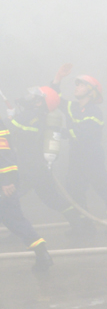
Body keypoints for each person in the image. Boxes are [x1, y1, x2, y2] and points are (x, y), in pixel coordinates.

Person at [7, 85, 92, 236]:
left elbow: (5, 130)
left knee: (8, 198)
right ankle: (80, 225)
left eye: (35, 96)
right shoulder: (40, 116)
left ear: (40, 102)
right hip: (41, 168)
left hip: (28, 169)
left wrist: (9, 118)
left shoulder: (27, 115)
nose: (30, 97)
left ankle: (20, 232)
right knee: (53, 199)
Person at [0, 105, 53, 272]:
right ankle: (41, 251)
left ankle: (41, 252)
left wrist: (7, 180)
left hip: (4, 181)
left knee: (13, 218)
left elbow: (4, 151)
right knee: (14, 219)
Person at [65, 75, 107, 225]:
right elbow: (54, 100)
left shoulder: (94, 112)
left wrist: (63, 132)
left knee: (104, 188)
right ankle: (84, 226)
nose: (77, 87)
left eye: (82, 85)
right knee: (75, 190)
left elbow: (85, 134)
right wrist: (57, 79)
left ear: (91, 92)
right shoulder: (73, 107)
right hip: (76, 157)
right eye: (77, 84)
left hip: (91, 157)